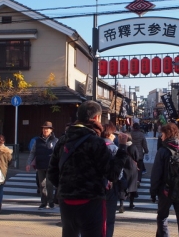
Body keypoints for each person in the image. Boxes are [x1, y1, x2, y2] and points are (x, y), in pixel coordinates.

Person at [47, 100, 128, 237]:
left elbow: (52, 173)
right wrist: (122, 149)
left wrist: (66, 186)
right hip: (91, 201)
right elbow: (112, 174)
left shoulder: (62, 140)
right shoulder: (96, 142)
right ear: (96, 118)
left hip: (66, 201)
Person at [150, 122, 179, 237]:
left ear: (167, 135)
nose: (161, 136)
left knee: (162, 217)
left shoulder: (163, 151)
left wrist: (153, 191)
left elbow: (156, 173)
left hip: (166, 190)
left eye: (162, 134)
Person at [26, 121, 58, 209]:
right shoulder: (37, 140)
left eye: (47, 129)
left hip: (50, 166)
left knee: (49, 184)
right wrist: (28, 163)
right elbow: (32, 153)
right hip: (40, 165)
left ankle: (51, 201)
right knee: (42, 184)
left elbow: (58, 153)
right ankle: (43, 202)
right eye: (44, 128)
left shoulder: (55, 141)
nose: (45, 130)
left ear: (51, 130)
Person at [101, 122, 123, 237]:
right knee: (109, 220)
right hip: (109, 188)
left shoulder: (94, 146)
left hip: (94, 187)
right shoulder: (114, 149)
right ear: (109, 134)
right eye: (113, 133)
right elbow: (119, 174)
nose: (114, 136)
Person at [120, 133, 139, 211]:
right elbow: (137, 157)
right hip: (132, 167)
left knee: (122, 186)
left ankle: (121, 205)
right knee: (132, 185)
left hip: (122, 167)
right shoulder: (133, 147)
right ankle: (131, 203)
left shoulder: (121, 147)